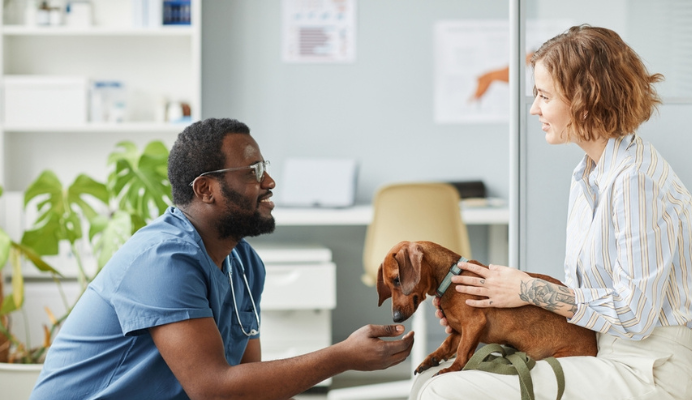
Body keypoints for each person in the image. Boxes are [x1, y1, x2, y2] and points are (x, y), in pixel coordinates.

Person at [411, 25, 692, 400]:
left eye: (544, 96)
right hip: (606, 353)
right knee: (431, 376)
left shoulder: (636, 181)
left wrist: (527, 289)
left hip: (649, 372)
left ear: (585, 99)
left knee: (444, 390)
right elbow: (591, 297)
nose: (534, 108)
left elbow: (634, 315)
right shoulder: (588, 174)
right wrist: (485, 310)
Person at [30, 118, 414, 400]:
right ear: (206, 189)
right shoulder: (161, 261)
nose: (269, 182)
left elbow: (247, 382)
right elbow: (213, 389)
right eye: (253, 171)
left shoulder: (243, 263)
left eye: (265, 169)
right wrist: (341, 356)